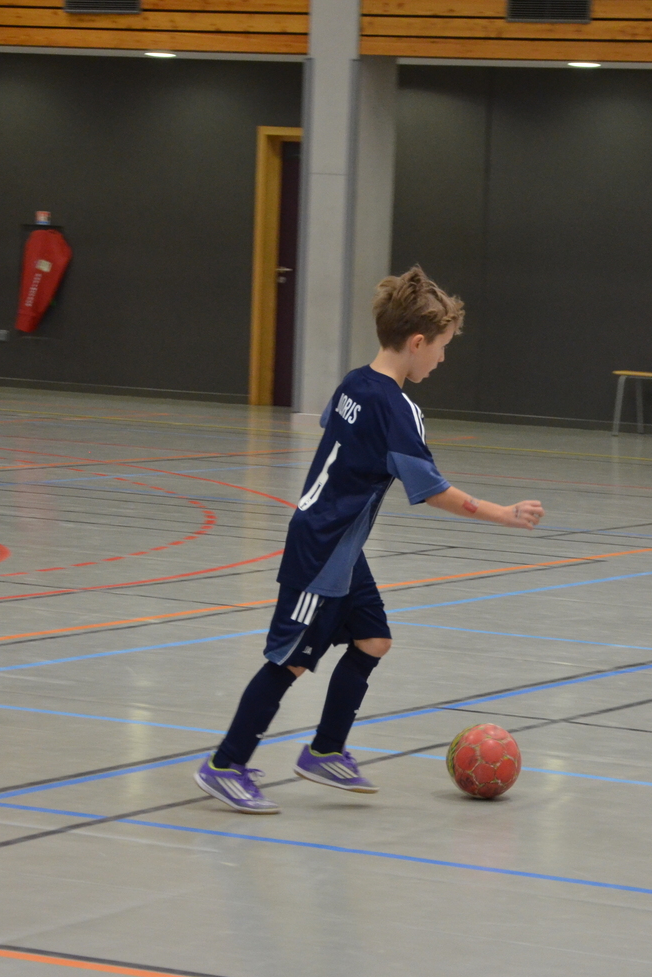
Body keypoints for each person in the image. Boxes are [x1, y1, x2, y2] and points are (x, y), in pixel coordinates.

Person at [196, 266, 544, 813]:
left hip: (340, 548)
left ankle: (325, 751)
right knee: (288, 660)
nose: (442, 360)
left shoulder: (354, 382)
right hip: (322, 549)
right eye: (442, 348)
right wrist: (503, 513)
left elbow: (335, 432)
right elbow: (430, 489)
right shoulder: (398, 409)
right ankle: (225, 764)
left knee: (373, 638)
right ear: (417, 342)